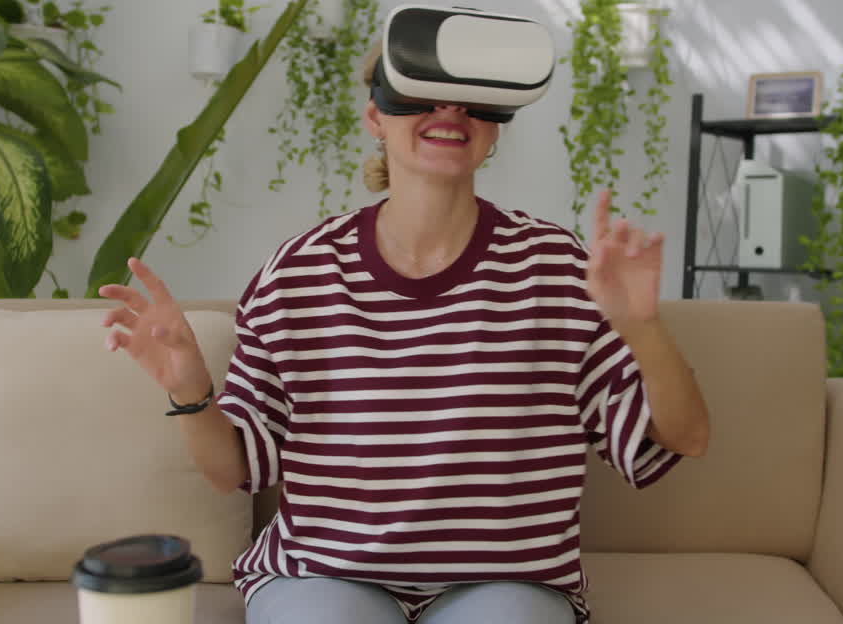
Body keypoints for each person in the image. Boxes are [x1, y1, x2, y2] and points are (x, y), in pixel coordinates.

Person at [99, 41, 711, 624]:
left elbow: (686, 437)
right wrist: (189, 389)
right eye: (419, 93)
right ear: (375, 115)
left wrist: (642, 327)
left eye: (470, 98)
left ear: (494, 126)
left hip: (508, 582)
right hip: (323, 574)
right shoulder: (300, 270)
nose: (449, 111)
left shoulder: (557, 266)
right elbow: (232, 469)